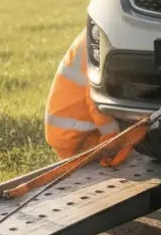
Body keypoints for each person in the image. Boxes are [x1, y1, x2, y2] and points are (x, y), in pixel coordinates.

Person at [44, 29, 121, 159]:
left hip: (69, 135)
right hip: (75, 141)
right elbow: (97, 102)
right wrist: (115, 142)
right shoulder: (99, 44)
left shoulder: (95, 33)